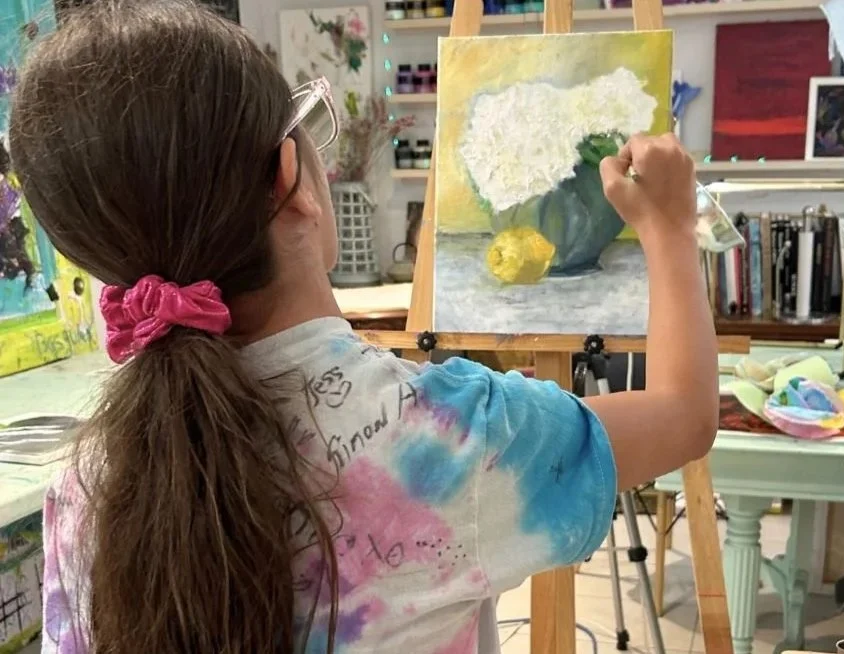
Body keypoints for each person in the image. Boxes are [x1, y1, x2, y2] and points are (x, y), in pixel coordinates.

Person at [9, 1, 718, 652]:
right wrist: (670, 228)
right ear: (291, 180)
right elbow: (684, 415)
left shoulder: (87, 482)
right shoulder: (452, 437)